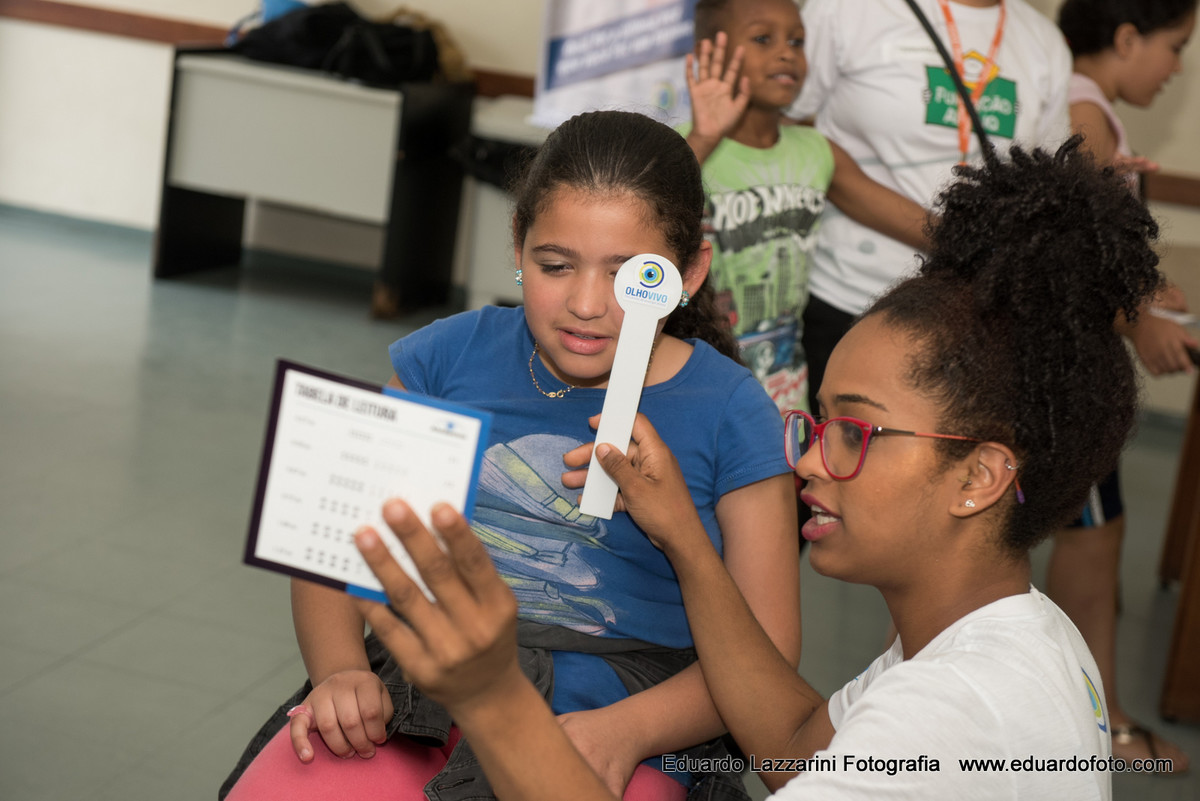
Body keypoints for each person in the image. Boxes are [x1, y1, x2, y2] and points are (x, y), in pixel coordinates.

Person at [349, 139, 1165, 798]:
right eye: (819, 423)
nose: (807, 457)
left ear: (980, 476)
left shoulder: (949, 715)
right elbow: (798, 746)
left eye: (853, 431)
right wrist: (686, 539)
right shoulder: (1006, 637)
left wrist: (492, 694)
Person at [218, 110, 801, 801]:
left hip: (632, 713)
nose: (586, 303)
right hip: (426, 689)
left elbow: (767, 656)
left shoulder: (733, 410)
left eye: (627, 277)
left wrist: (629, 732)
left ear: (689, 272)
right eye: (555, 266)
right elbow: (342, 538)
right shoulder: (447, 356)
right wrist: (341, 669)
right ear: (518, 242)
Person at [789, 0, 1073, 414]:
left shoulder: (1043, 42)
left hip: (970, 317)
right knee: (829, 446)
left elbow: (1047, 177)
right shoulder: (847, 9)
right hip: (847, 297)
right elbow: (785, 124)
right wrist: (955, 238)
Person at [1047, 0, 1198, 773]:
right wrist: (1143, 323)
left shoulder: (1082, 105)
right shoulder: (1085, 113)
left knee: (1090, 538)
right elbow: (1071, 261)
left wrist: (1145, 288)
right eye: (1176, 46)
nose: (1177, 67)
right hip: (1066, 373)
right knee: (1092, 544)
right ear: (1129, 36)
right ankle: (1097, 723)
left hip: (1067, 365)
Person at [681, 0, 930, 413]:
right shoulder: (685, 146)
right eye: (764, 39)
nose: (786, 53)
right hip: (697, 385)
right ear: (711, 51)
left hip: (784, 394)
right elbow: (644, 210)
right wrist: (705, 137)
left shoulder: (816, 151)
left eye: (797, 42)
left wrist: (988, 243)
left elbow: (907, 218)